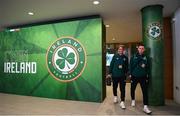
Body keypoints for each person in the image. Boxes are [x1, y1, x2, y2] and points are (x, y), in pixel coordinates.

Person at [129, 43, 152, 114]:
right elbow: (130, 66)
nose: (141, 50)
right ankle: (133, 100)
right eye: (140, 48)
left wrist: (147, 75)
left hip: (143, 77)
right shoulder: (133, 57)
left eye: (142, 48)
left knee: (145, 91)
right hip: (134, 76)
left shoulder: (146, 57)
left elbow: (148, 67)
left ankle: (145, 106)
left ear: (144, 49)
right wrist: (130, 74)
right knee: (132, 89)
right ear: (138, 49)